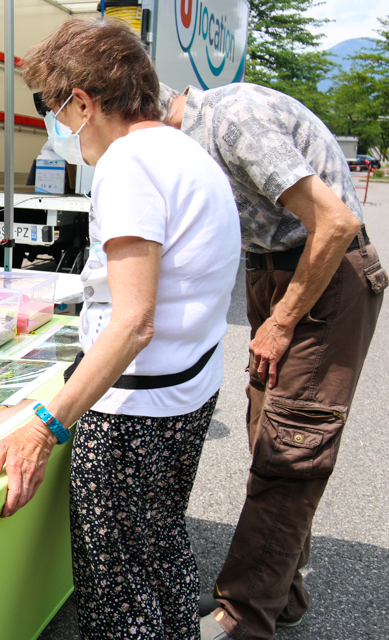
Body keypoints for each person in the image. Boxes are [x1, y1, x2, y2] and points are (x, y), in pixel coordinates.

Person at [0, 18, 240, 639]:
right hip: (188, 390)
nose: (56, 126)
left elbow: (132, 324)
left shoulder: (128, 163)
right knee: (159, 553)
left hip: (133, 414)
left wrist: (45, 428)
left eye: (53, 109)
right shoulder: (185, 150)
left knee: (119, 588)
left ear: (84, 102)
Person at [158, 80, 386, 639]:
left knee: (291, 447)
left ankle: (243, 616)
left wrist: (283, 321)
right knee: (267, 432)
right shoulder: (188, 138)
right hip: (275, 270)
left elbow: (336, 223)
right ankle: (281, 594)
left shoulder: (233, 120)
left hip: (321, 276)